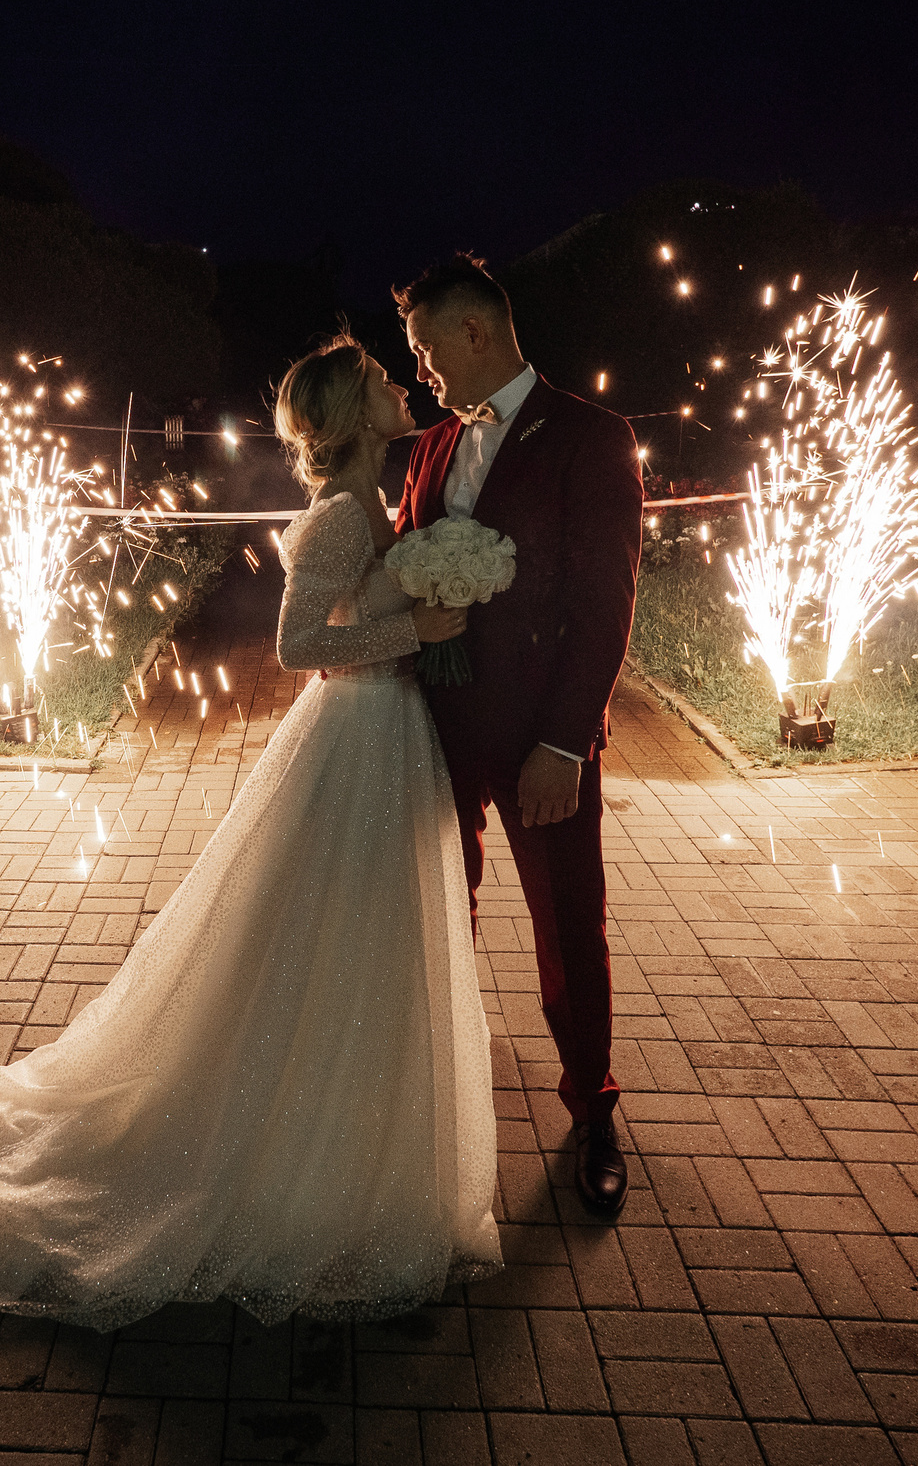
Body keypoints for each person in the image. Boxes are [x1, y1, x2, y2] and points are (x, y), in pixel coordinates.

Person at [0, 335, 501, 1331]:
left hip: (387, 738)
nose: (402, 389)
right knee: (325, 947)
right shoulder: (337, 521)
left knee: (362, 954)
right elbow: (298, 644)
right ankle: (294, 1164)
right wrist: (417, 630)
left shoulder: (373, 506)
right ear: (355, 416)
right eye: (381, 383)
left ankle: (341, 1146)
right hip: (354, 740)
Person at [395, 254, 645, 1216]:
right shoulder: (427, 447)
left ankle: (593, 1110)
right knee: (433, 917)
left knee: (569, 927)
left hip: (543, 735)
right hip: (434, 731)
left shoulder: (592, 436)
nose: (418, 367)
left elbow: (604, 605)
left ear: (474, 332)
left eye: (424, 347)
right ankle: (439, 1103)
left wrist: (567, 743)